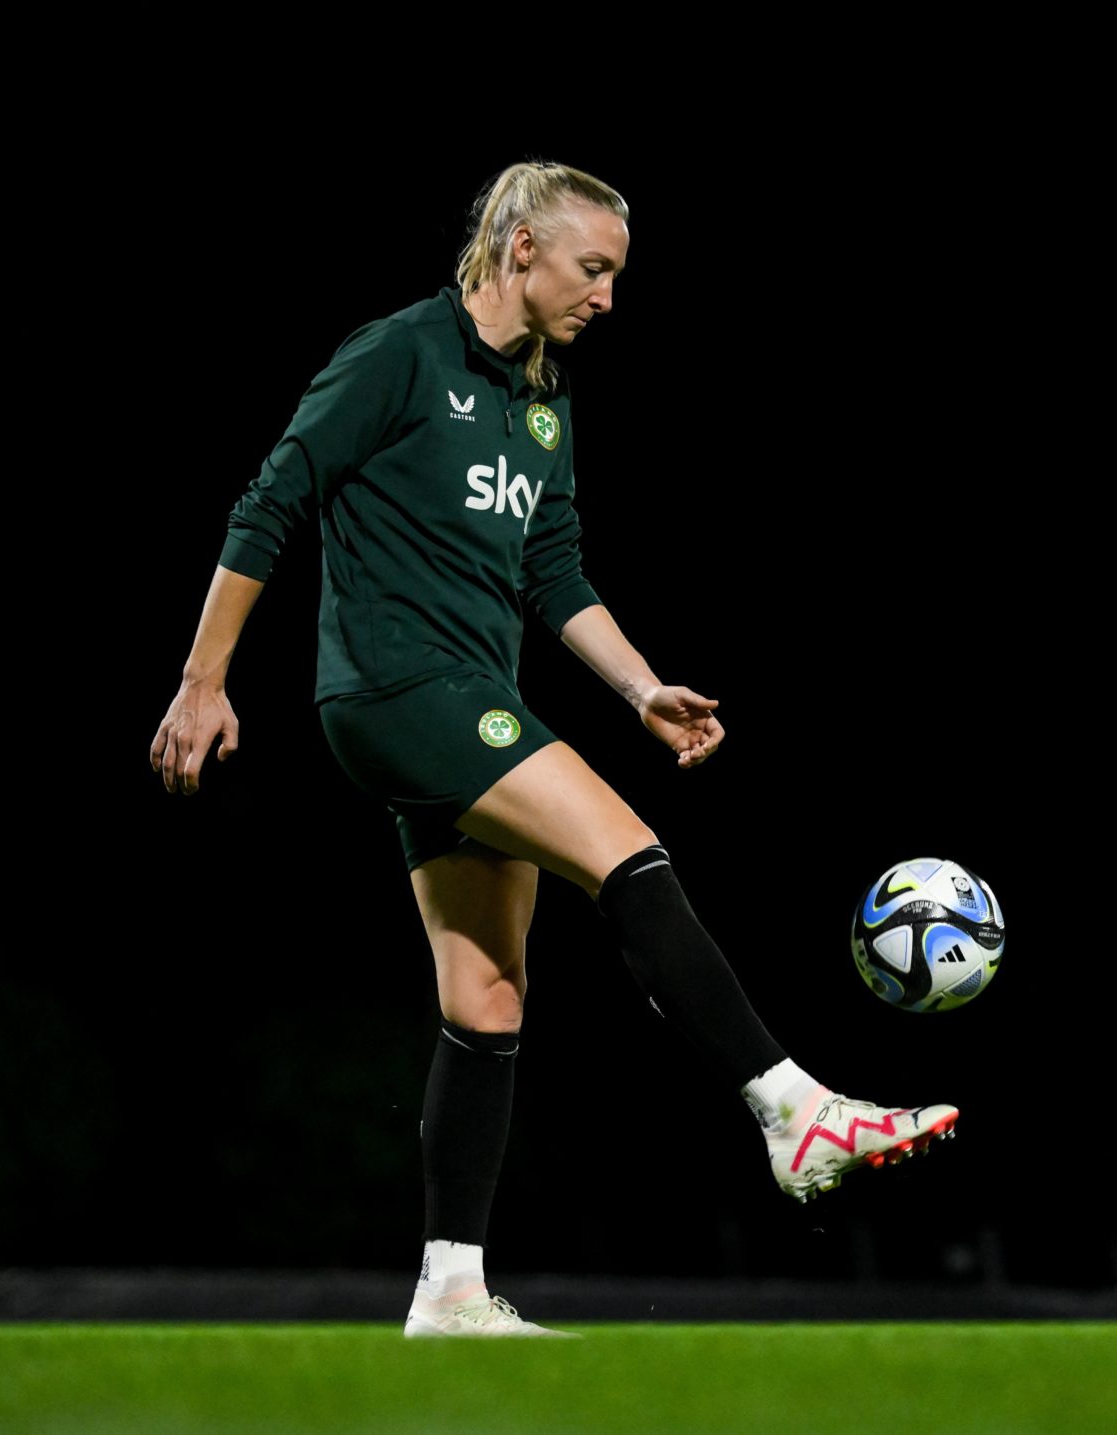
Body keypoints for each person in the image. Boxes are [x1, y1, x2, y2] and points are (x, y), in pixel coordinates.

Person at [147, 160, 959, 1338]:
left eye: (620, 275)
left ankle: (452, 1289)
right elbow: (272, 498)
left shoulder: (543, 400)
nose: (610, 297)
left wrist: (639, 692)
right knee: (628, 852)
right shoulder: (399, 353)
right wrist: (203, 678)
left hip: (463, 694)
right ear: (520, 248)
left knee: (487, 999)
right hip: (397, 687)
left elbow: (552, 571)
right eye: (597, 268)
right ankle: (796, 1110)